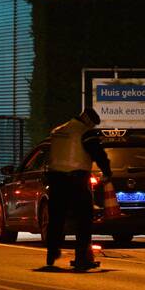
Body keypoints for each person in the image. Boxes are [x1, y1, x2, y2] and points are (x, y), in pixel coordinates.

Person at [45, 106, 113, 271]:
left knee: (56, 218)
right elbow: (98, 153)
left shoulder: (58, 131)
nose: (92, 127)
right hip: (76, 180)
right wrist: (107, 171)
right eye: (93, 124)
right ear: (88, 120)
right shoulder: (84, 132)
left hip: (55, 179)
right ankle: (82, 257)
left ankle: (52, 252)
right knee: (83, 219)